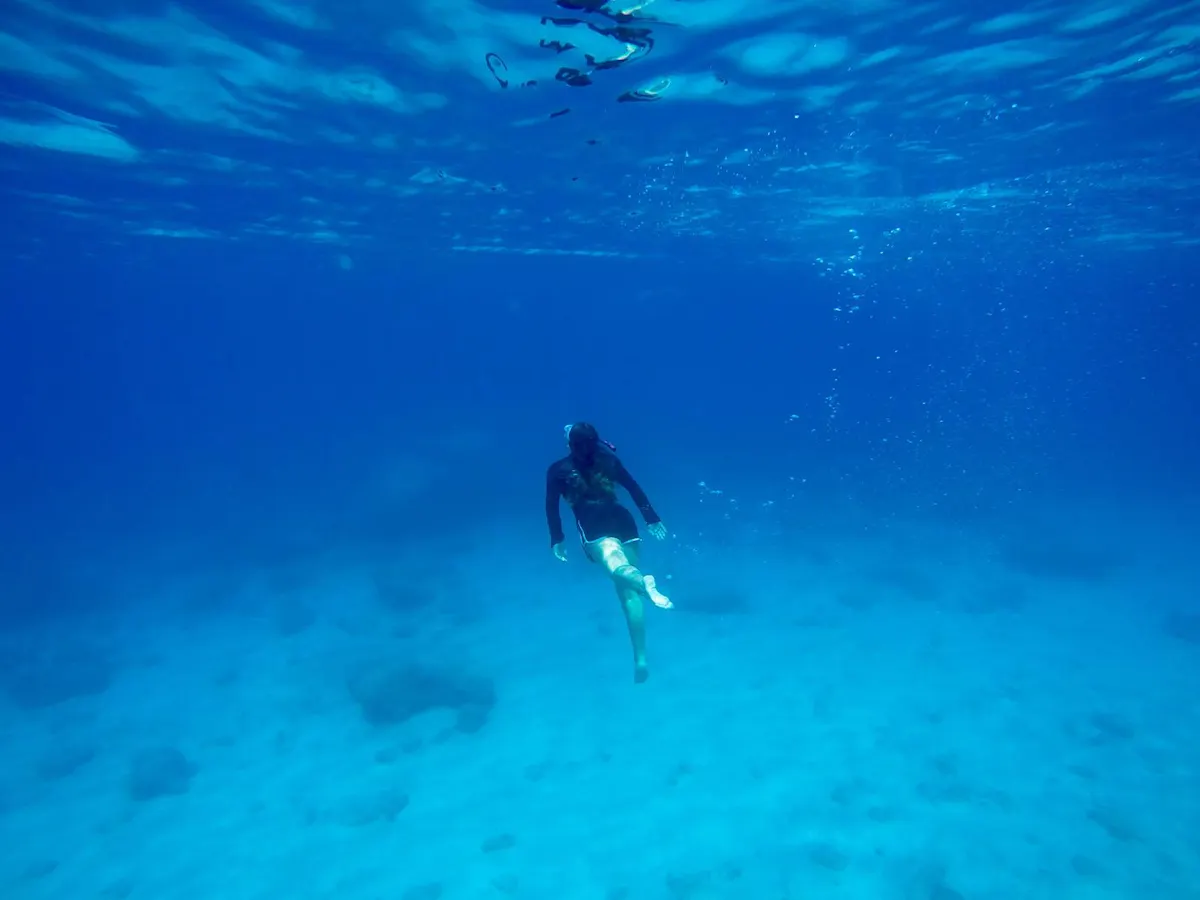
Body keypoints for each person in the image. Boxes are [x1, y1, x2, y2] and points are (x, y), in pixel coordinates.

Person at [546, 422, 673, 683]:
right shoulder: (609, 460)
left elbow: (551, 507)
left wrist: (557, 539)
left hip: (594, 526)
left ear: (571, 444)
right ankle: (640, 657)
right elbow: (634, 488)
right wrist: (651, 518)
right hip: (624, 521)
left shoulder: (558, 470)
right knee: (626, 591)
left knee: (618, 570)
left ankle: (645, 582)